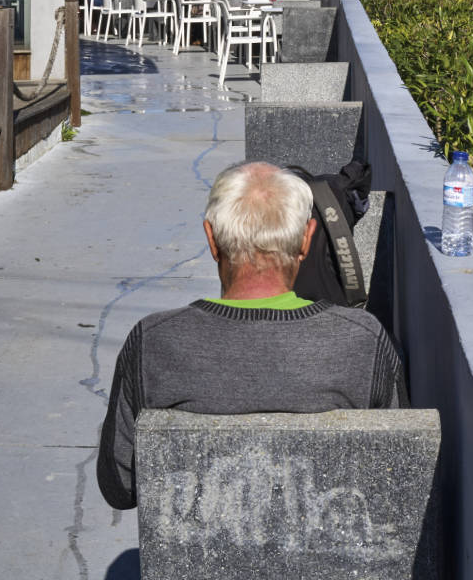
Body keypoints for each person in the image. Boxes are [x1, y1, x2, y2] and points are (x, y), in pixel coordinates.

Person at [95, 161, 407, 510]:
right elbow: (397, 477)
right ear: (306, 240)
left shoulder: (153, 343)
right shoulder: (363, 341)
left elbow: (119, 487)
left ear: (211, 240)